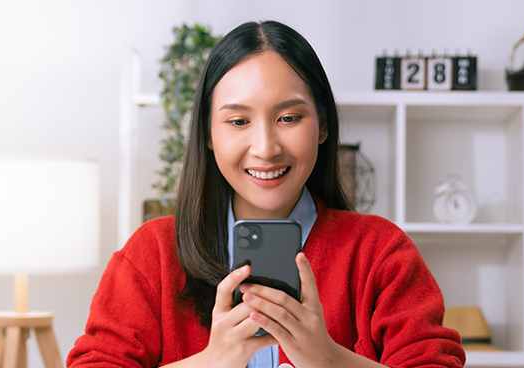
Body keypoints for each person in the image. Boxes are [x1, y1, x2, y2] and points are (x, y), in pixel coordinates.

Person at [67, 20, 466, 368]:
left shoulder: (379, 252)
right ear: (208, 133)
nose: (266, 147)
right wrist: (210, 362)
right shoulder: (152, 255)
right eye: (238, 121)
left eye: (289, 118)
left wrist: (328, 360)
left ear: (323, 127)